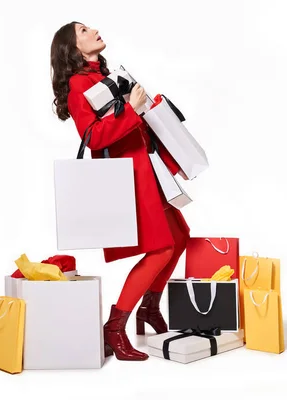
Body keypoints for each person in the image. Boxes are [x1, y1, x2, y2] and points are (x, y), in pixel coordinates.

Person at [50, 21, 191, 361]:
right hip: (128, 178)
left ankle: (149, 308)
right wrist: (130, 109)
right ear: (73, 48)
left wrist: (146, 108)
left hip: (148, 170)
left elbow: (123, 124)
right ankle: (114, 328)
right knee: (160, 249)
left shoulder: (104, 77)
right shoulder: (78, 84)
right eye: (83, 31)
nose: (93, 30)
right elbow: (94, 136)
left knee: (180, 236)